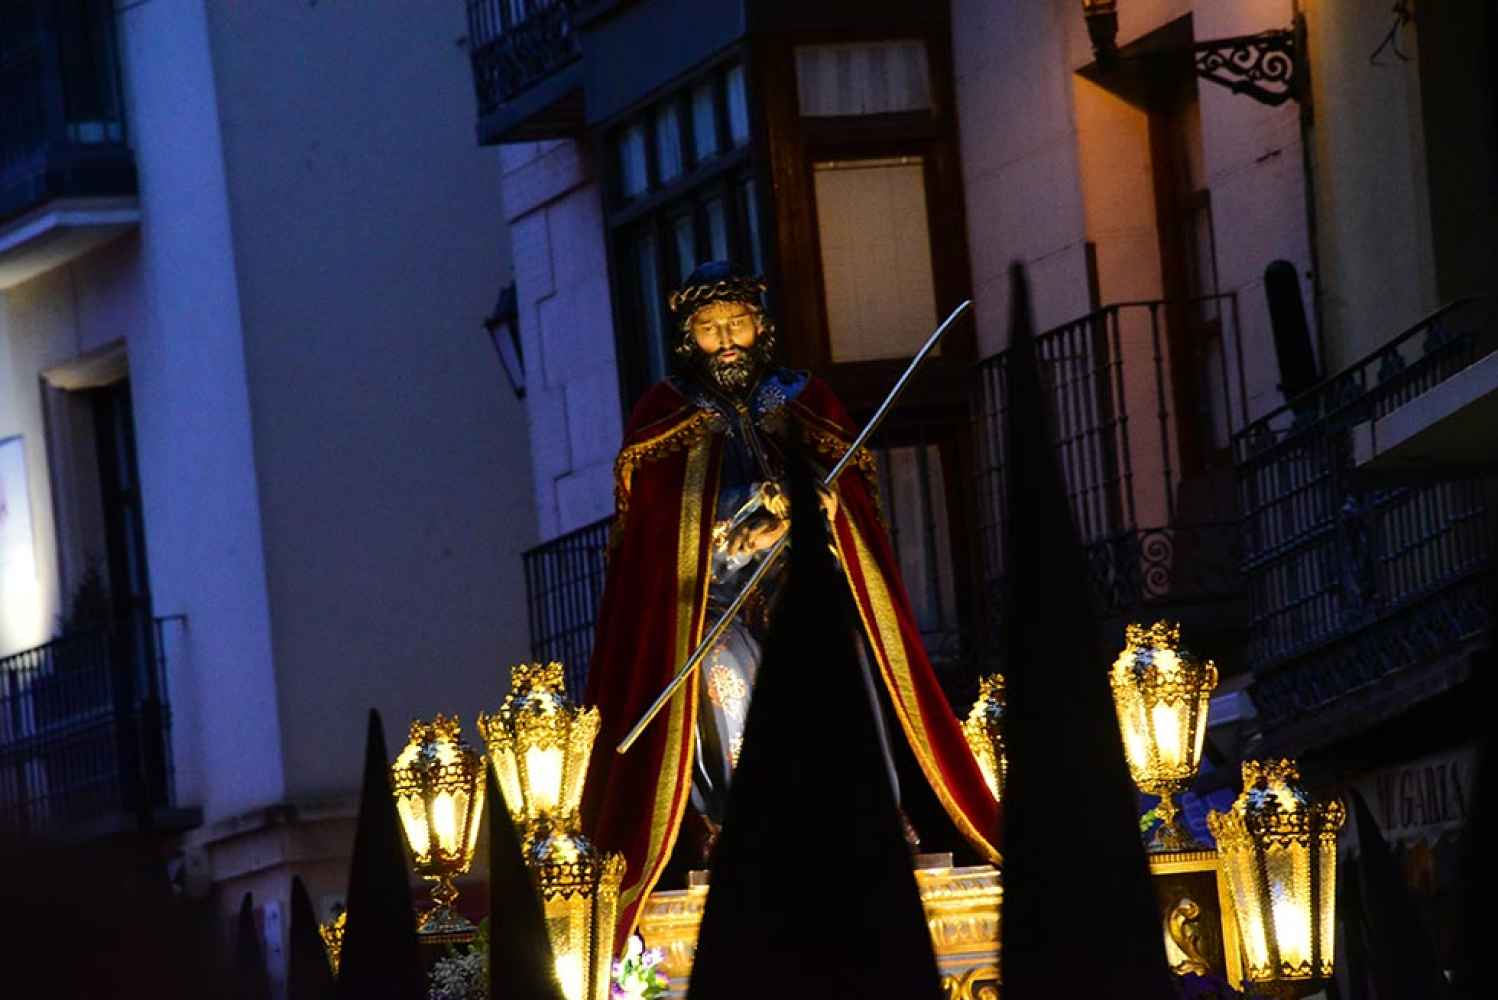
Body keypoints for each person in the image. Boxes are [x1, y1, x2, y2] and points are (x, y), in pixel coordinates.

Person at [581, 261, 998, 947]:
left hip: (804, 588)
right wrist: (740, 531)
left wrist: (821, 512)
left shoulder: (806, 400)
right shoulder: (664, 417)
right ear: (688, 339)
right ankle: (744, 822)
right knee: (717, 674)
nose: (726, 342)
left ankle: (865, 809)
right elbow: (660, 551)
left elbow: (854, 517)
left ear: (760, 326)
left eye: (737, 324)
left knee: (842, 651)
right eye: (710, 329)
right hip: (711, 601)